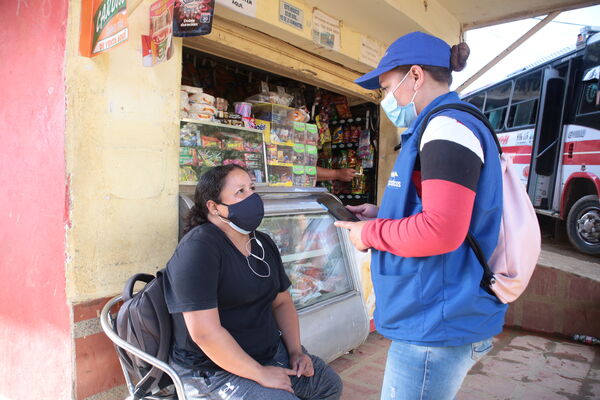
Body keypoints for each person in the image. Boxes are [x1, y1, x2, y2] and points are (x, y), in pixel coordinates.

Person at [335, 31, 507, 400]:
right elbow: (445, 210)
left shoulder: (447, 129)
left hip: (436, 319)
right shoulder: (440, 126)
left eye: (386, 87)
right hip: (433, 312)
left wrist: (369, 235)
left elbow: (442, 230)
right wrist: (383, 214)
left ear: (415, 76)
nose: (385, 99)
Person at [164, 164, 342, 400]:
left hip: (269, 353)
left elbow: (282, 302)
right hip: (213, 371)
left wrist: (295, 351)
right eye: (240, 192)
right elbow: (205, 333)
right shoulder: (199, 249)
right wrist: (259, 373)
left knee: (328, 385)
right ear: (214, 207)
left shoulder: (262, 242)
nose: (253, 197)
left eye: (252, 188)